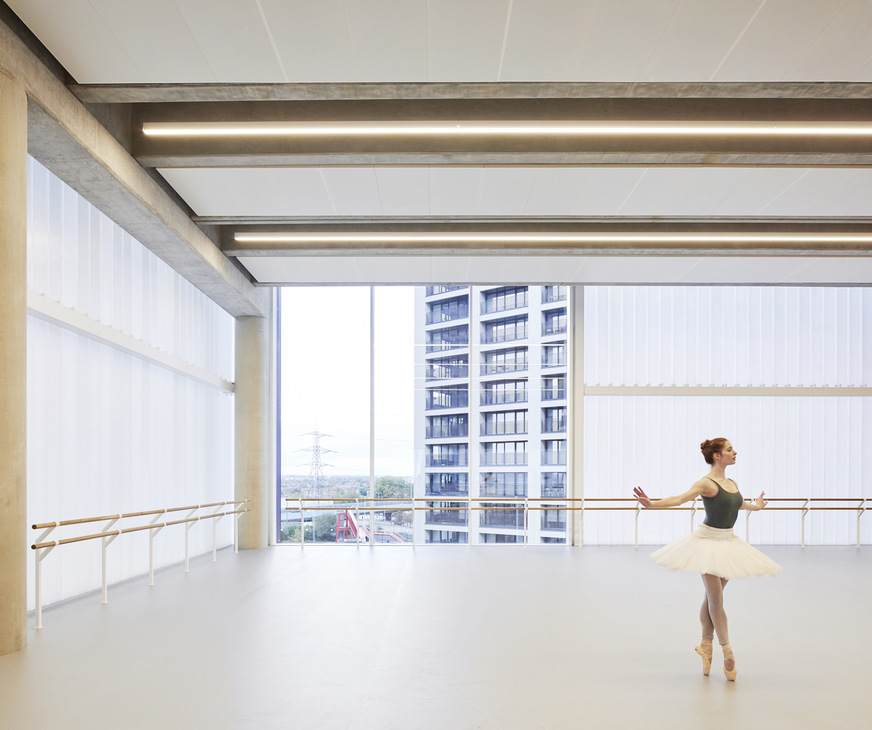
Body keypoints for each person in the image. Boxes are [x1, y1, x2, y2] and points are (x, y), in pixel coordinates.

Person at [633, 438, 781, 681]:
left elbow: (738, 504)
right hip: (708, 543)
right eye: (730, 449)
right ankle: (727, 650)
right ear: (717, 456)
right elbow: (680, 499)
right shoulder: (706, 483)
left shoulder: (731, 483)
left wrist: (758, 506)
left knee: (711, 599)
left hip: (729, 543)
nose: (735, 452)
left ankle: (705, 645)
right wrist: (652, 505)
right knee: (716, 598)